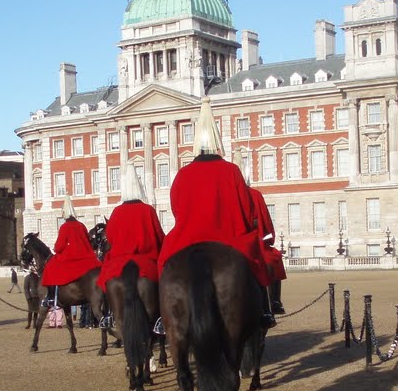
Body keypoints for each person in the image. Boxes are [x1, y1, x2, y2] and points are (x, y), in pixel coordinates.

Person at [157, 96, 274, 326]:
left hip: (188, 240)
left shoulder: (183, 173)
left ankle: (163, 317)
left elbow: (176, 208)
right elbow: (246, 208)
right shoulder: (231, 171)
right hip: (230, 238)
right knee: (257, 264)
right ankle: (264, 311)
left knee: (163, 264)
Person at [96, 164, 166, 294]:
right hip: (147, 261)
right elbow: (159, 236)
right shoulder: (148, 210)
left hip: (118, 262)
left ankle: (106, 313)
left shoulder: (116, 211)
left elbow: (110, 238)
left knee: (103, 282)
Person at [40, 196, 102, 308]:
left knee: (50, 266)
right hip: (86, 256)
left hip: (71, 256)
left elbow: (59, 246)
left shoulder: (65, 227)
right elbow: (87, 240)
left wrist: (56, 249)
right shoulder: (81, 225)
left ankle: (50, 296)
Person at [243, 173, 287, 315]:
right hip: (252, 243)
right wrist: (267, 239)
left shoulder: (224, 195)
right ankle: (275, 302)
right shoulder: (254, 195)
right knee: (273, 259)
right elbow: (265, 223)